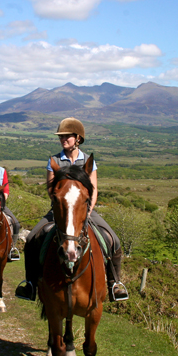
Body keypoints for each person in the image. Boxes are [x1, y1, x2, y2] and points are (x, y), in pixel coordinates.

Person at [15, 117, 128, 302]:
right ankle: (31, 283)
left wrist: (88, 210)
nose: (63, 139)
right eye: (61, 136)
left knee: (113, 240)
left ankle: (114, 284)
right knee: (30, 239)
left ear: (78, 138)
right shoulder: (55, 160)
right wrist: (62, 209)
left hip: (84, 211)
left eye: (67, 136)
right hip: (59, 212)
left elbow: (94, 188)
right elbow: (51, 190)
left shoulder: (87, 161)